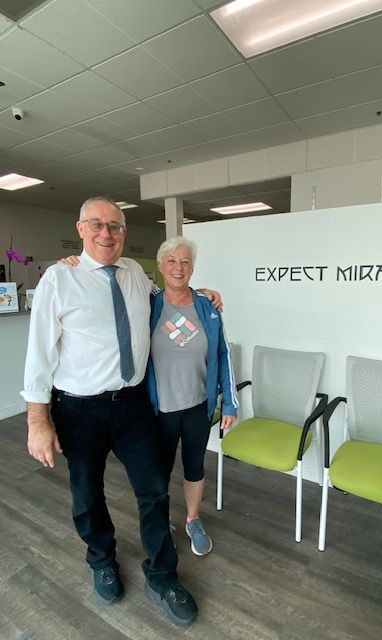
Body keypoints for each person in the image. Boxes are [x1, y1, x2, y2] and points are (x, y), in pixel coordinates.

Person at [21, 197, 213, 627]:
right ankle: (101, 560)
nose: (106, 234)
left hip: (132, 406)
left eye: (115, 226)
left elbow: (171, 299)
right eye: (97, 225)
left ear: (124, 233)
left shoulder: (135, 275)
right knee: (87, 494)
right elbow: (39, 354)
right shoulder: (59, 278)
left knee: (154, 489)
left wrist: (202, 297)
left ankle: (162, 575)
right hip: (78, 409)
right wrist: (37, 419)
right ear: (81, 228)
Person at [146, 237, 237, 557]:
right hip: (160, 409)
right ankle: (160, 522)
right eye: (171, 261)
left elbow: (223, 355)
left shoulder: (207, 307)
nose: (178, 267)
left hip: (199, 406)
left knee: (194, 466)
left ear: (193, 268)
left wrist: (229, 402)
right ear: (160, 266)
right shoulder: (147, 304)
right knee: (158, 470)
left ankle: (193, 519)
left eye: (185, 261)